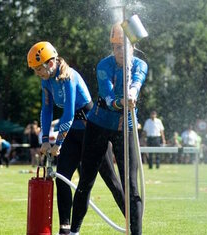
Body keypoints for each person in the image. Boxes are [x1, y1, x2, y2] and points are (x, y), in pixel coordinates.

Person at [27, 41, 125, 235]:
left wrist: (58, 143)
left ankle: (134, 222)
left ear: (51, 62)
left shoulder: (69, 76)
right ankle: (65, 230)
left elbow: (69, 114)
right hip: (73, 132)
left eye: (39, 68)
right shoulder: (46, 82)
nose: (37, 73)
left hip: (93, 130)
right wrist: (45, 139)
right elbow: (46, 111)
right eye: (35, 70)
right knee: (62, 177)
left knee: (111, 182)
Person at [69, 22, 148, 235]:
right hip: (98, 126)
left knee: (130, 185)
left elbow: (137, 81)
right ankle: (74, 231)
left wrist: (132, 92)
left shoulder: (140, 65)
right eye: (116, 47)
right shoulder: (103, 65)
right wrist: (121, 102)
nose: (120, 51)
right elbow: (107, 95)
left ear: (133, 46)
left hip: (126, 128)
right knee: (86, 180)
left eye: (124, 46)